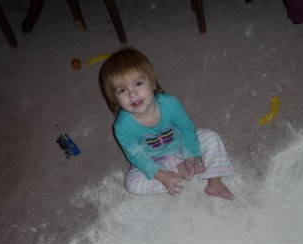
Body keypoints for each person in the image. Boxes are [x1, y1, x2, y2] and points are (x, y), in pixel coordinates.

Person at [99, 48, 234, 200]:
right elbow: (137, 157)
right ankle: (177, 172)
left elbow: (186, 129)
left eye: (138, 83)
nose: (132, 94)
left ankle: (214, 182)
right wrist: (163, 177)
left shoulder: (169, 103)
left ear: (152, 83)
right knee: (132, 184)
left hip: (179, 145)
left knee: (210, 137)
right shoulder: (122, 127)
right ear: (115, 98)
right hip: (153, 160)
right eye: (123, 90)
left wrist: (190, 157)